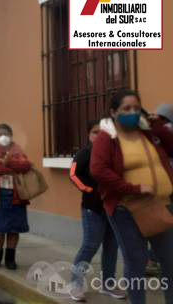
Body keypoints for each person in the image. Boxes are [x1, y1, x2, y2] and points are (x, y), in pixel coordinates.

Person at [90, 90, 173, 304]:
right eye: (126, 109)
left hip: (160, 205)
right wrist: (133, 188)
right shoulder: (106, 137)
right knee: (136, 263)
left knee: (170, 261)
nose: (133, 112)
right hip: (127, 210)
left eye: (136, 108)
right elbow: (98, 170)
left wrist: (157, 126)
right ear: (113, 112)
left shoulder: (147, 132)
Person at [68, 120, 124, 301]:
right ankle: (75, 285)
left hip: (113, 208)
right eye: (95, 132)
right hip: (93, 210)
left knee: (111, 247)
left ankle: (108, 286)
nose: (99, 136)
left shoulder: (114, 153)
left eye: (103, 132)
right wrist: (88, 190)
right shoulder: (84, 153)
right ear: (88, 135)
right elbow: (73, 174)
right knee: (90, 246)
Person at [0, 123, 31, 270]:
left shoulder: (17, 149)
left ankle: (10, 258)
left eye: (7, 134)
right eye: (0, 134)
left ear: (11, 136)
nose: (4, 137)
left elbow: (26, 166)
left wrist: (8, 161)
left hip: (16, 195)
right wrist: (13, 166)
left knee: (14, 229)